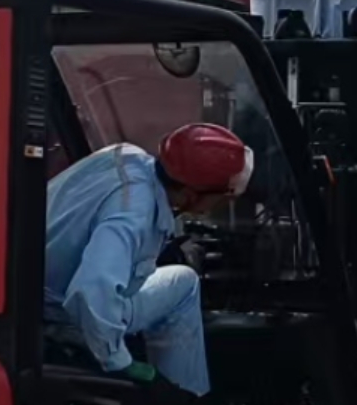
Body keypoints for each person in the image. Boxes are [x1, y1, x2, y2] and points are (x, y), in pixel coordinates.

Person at [44, 123, 254, 401]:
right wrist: (122, 364)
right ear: (192, 194)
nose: (222, 204)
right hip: (59, 313)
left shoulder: (126, 155)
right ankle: (185, 397)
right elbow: (90, 291)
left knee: (183, 280)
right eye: (222, 197)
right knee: (183, 291)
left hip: (31, 280)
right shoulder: (134, 216)